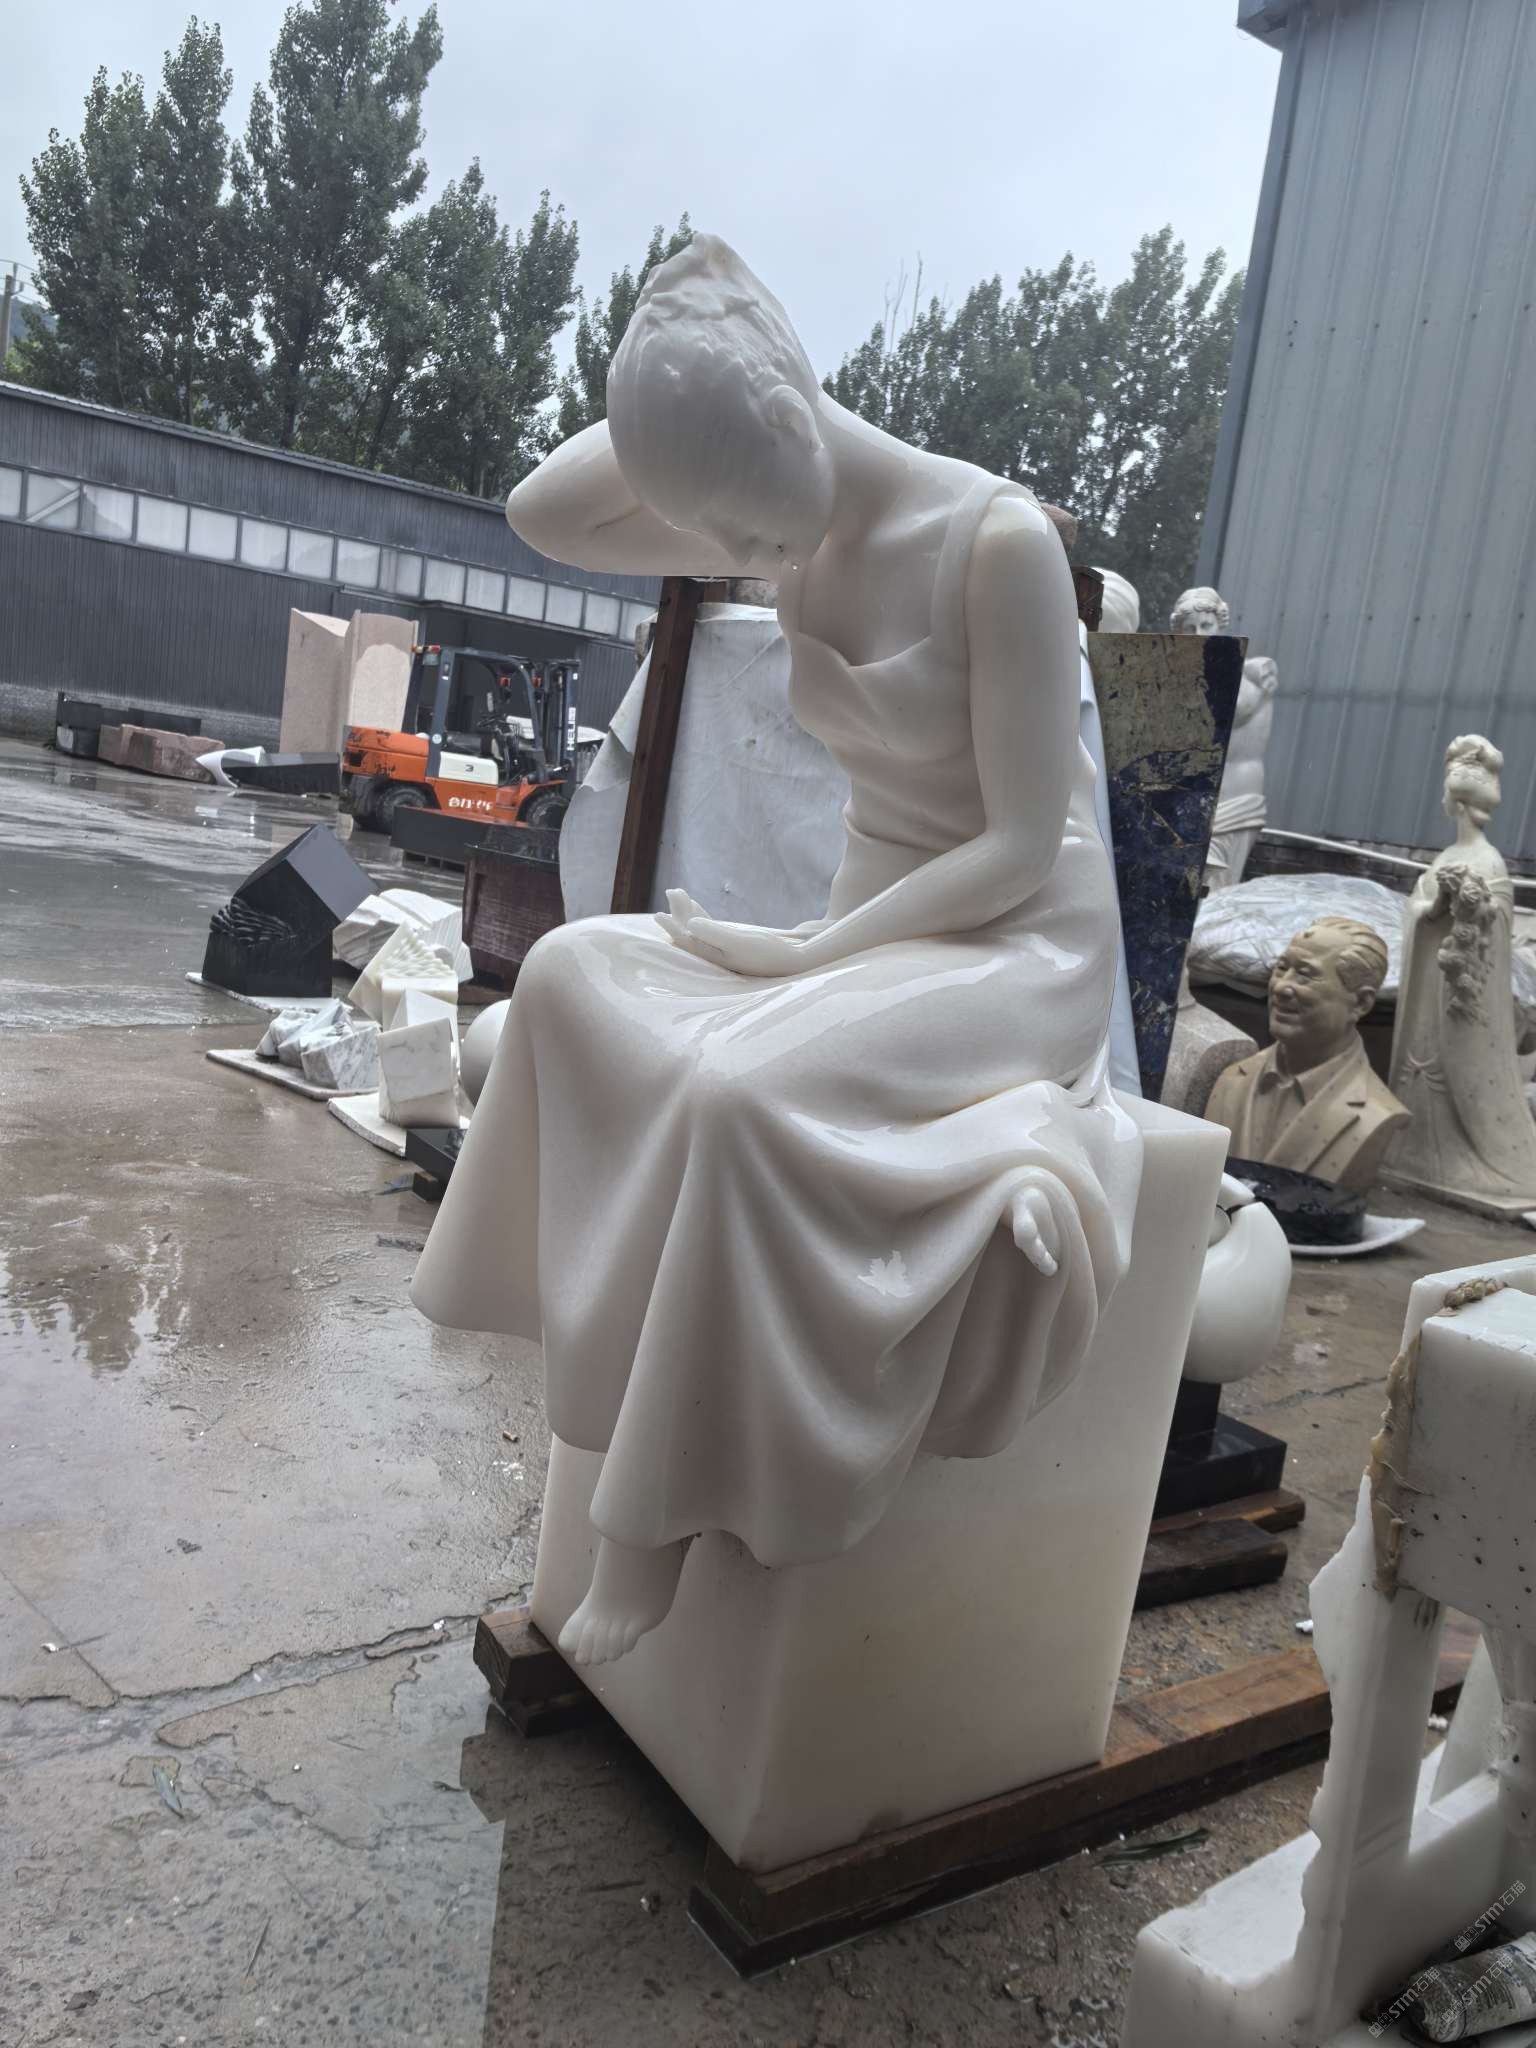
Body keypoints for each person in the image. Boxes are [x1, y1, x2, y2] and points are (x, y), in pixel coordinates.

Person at [411, 235, 1141, 1665]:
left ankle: (656, 1521)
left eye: (747, 535)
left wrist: (809, 960)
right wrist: (669, 368)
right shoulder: (775, 505)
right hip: (867, 926)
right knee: (566, 975)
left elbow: (1014, 846)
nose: (745, 563)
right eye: (728, 540)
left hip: (1011, 944)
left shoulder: (995, 545)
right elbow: (544, 512)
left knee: (737, 1090)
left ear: (799, 413)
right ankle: (582, 1373)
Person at [1387, 735, 1536, 1211]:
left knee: (1452, 1062)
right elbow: (1418, 909)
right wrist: (1434, 907)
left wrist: (1472, 907)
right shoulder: (1445, 858)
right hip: (1429, 979)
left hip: (1460, 982)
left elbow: (1498, 923)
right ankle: (1412, 1151)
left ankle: (1460, 1155)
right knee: (1420, 1058)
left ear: (1458, 802)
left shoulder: (1488, 860)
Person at [1206, 917, 1407, 1191]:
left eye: (1305, 975)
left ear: (1360, 1003)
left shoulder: (1377, 1115)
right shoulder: (1232, 1081)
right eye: (1281, 968)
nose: (1280, 987)